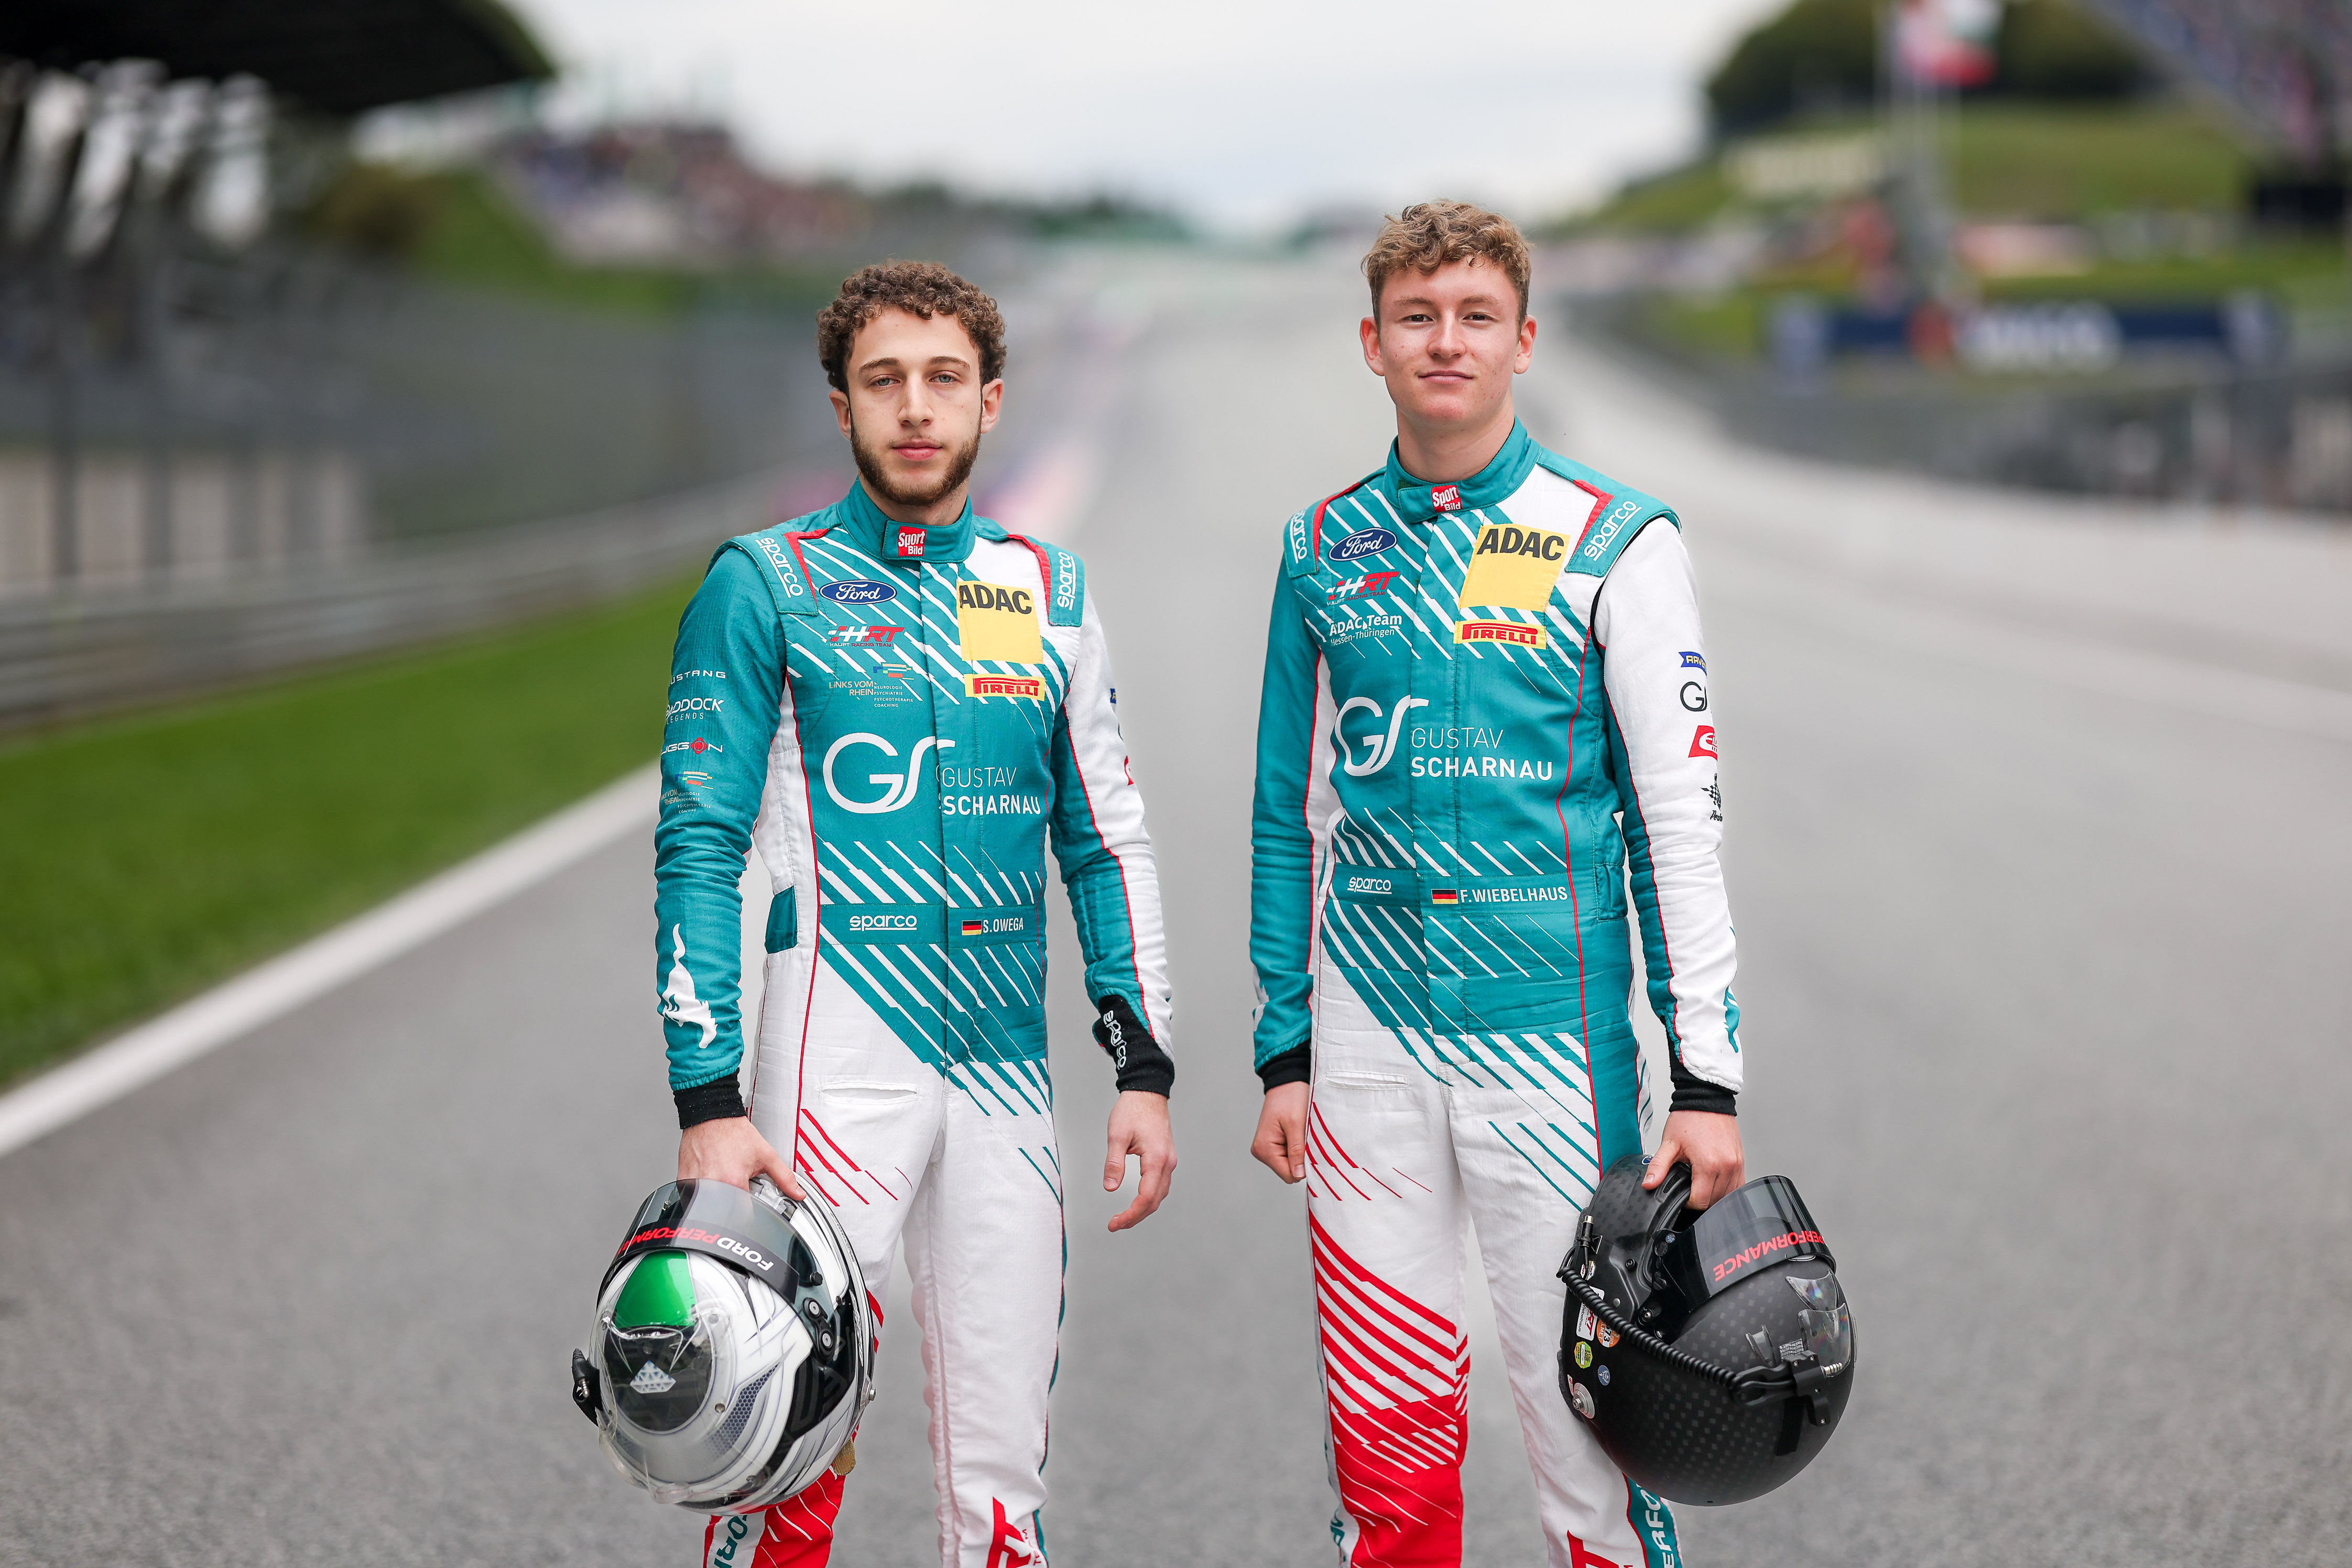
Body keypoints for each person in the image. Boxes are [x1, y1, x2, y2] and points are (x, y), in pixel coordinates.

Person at [655, 260, 1177, 1568]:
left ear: (991, 400)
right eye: (883, 380)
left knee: (1002, 1477)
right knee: (781, 1455)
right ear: (841, 406)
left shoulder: (1047, 589)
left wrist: (1144, 1061)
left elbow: (1103, 835)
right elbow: (699, 844)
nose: (916, 406)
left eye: (945, 378)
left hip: (1005, 1082)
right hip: (826, 1077)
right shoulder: (762, 583)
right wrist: (708, 1099)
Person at [1246, 201, 1745, 1568]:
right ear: (1373, 343)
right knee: (1389, 1457)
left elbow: (1676, 823)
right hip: (1363, 1057)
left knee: (1595, 1456)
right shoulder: (1320, 549)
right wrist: (1284, 1051)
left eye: (1476, 316)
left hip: (1556, 1058)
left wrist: (1705, 1081)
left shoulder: (1618, 539)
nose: (1445, 342)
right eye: (1417, 317)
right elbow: (1289, 817)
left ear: (1525, 340)